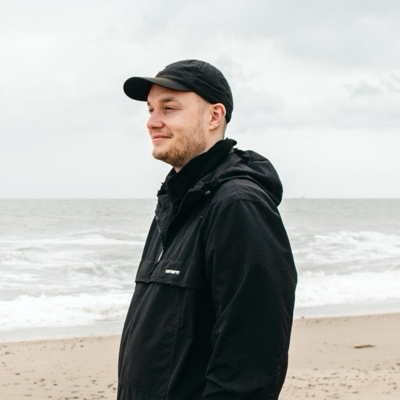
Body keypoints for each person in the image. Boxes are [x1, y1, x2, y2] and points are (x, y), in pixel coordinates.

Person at [118, 59, 297, 400]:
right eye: (151, 109)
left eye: (169, 108)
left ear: (214, 116)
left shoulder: (238, 205)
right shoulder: (175, 203)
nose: (152, 122)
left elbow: (251, 362)